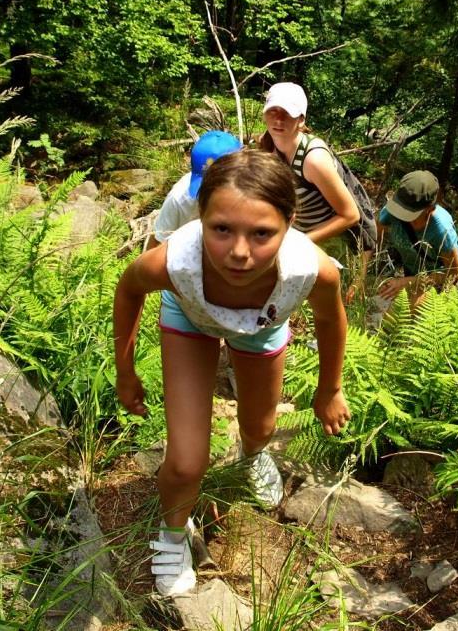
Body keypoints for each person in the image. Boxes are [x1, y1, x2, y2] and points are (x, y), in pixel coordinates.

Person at [113, 150, 350, 596]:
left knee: (259, 426)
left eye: (262, 233)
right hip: (190, 320)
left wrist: (329, 390)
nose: (240, 252)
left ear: (290, 222)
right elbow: (128, 290)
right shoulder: (174, 264)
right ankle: (172, 534)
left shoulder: (310, 270)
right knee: (186, 461)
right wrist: (125, 372)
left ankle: (252, 455)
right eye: (221, 229)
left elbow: (331, 319)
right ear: (200, 215)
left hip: (264, 322)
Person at [259, 82, 361, 251]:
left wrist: (297, 244)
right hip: (293, 230)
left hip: (330, 239)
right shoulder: (268, 144)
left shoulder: (313, 159)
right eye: (273, 111)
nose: (278, 119)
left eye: (287, 113)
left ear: (301, 119)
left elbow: (350, 215)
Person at [375, 170, 458, 305]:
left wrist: (408, 282)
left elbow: (453, 275)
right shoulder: (391, 212)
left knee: (398, 317)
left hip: (446, 284)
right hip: (415, 277)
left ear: (430, 209)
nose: (402, 217)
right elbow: (372, 240)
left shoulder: (441, 228)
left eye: (410, 214)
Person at [147, 130, 242, 249]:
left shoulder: (254, 190)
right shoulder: (179, 199)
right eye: (206, 186)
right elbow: (157, 242)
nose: (211, 193)